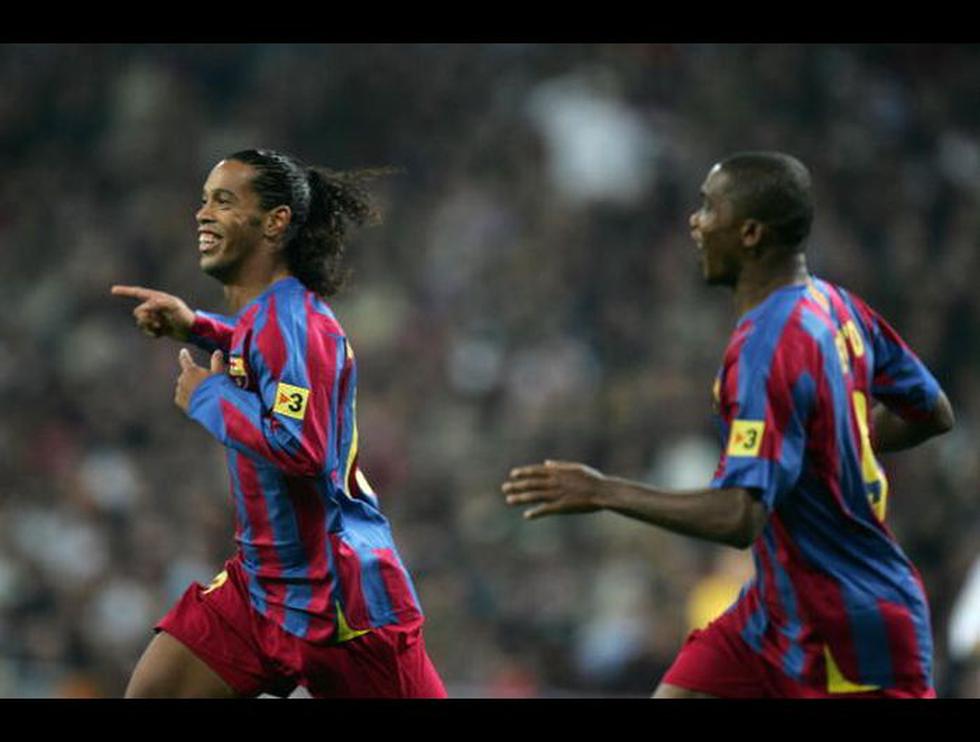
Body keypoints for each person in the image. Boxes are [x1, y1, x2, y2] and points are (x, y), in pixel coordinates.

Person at [502, 152, 955, 699]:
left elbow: (739, 516)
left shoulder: (768, 346)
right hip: (774, 610)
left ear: (750, 233)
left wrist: (603, 491)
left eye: (708, 208)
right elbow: (929, 410)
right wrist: (831, 450)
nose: (694, 222)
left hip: (849, 625)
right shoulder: (836, 305)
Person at [112, 149, 446, 698]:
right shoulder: (265, 319)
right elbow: (258, 352)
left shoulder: (297, 323)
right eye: (203, 200)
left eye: (223, 201)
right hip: (262, 588)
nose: (202, 214)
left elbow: (301, 446)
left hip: (341, 606)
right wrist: (197, 326)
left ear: (275, 222)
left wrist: (209, 396)